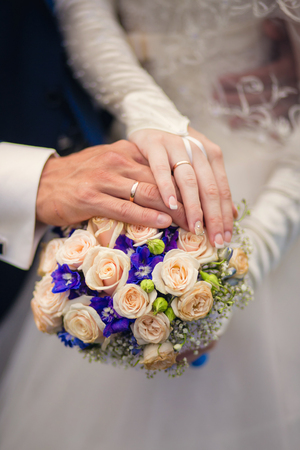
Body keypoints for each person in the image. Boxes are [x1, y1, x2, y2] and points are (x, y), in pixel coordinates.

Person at [1, 3, 300, 450]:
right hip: (127, 158)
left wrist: (251, 257)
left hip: (268, 165)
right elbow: (84, 14)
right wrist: (150, 113)